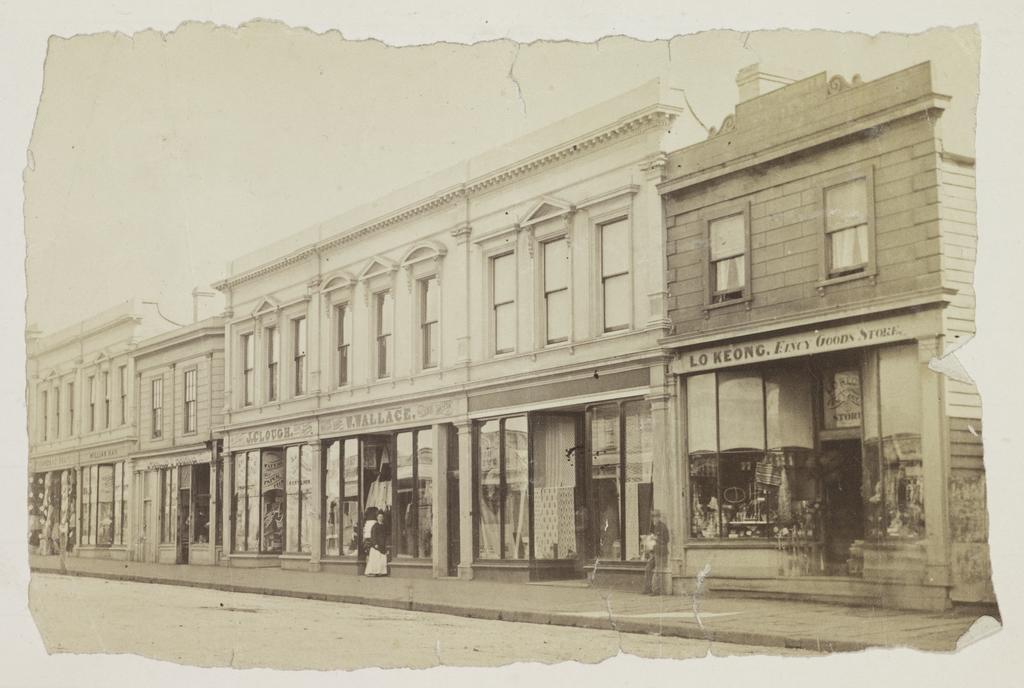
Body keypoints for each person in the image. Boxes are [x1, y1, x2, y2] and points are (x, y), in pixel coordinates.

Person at [643, 509, 671, 596]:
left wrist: (655, 538)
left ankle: (656, 590)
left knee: (658, 571)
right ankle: (647, 589)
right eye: (653, 517)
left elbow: (666, 540)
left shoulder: (662, 527)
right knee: (648, 568)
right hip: (655, 552)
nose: (654, 519)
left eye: (655, 517)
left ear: (659, 517)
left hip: (661, 552)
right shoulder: (656, 527)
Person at [364, 511, 389, 577]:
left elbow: (386, 534)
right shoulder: (375, 526)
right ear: (377, 518)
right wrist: (375, 543)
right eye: (379, 517)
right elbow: (373, 535)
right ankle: (374, 571)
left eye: (381, 517)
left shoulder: (384, 525)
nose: (380, 518)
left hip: (382, 544)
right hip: (376, 545)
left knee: (381, 558)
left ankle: (381, 572)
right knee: (376, 559)